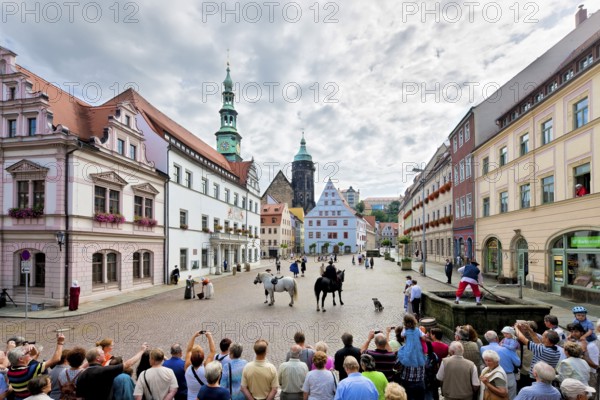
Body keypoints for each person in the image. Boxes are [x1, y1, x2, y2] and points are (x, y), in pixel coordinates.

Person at [77, 342, 147, 400]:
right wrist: (141, 351)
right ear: (97, 358)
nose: (104, 354)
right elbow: (128, 364)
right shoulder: (105, 371)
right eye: (102, 353)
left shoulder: (81, 375)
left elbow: (79, 397)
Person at [7, 333, 66, 399]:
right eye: (26, 353)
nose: (29, 354)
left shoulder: (10, 371)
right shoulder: (29, 371)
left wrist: (31, 349)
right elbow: (56, 359)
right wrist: (60, 342)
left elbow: (33, 358)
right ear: (21, 359)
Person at [480, 330, 520, 399]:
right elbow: (518, 363)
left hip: (491, 377)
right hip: (508, 376)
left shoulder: (483, 349)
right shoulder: (507, 349)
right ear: (497, 338)